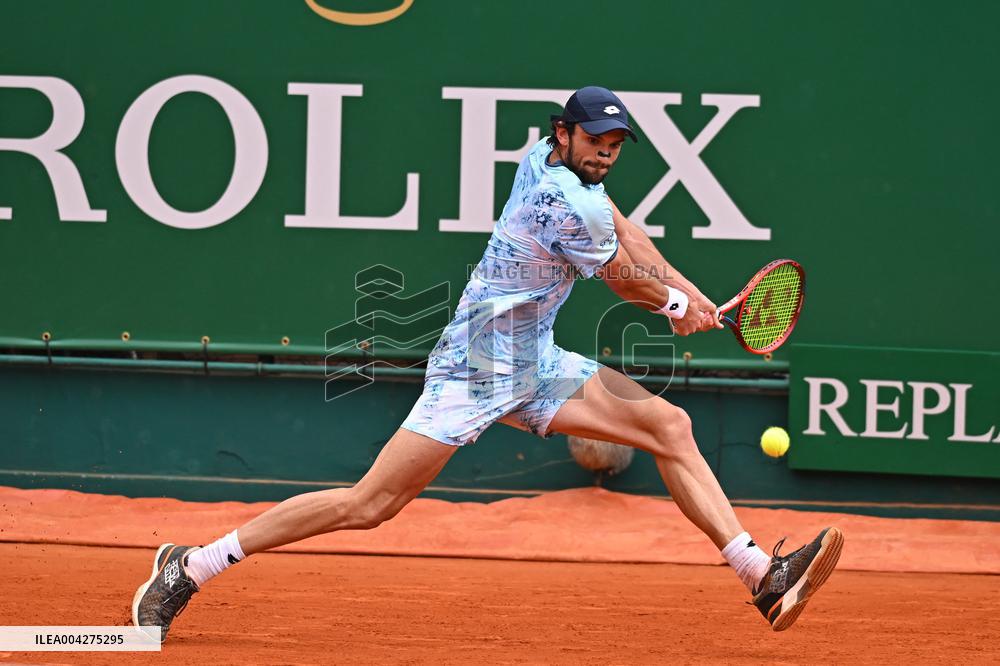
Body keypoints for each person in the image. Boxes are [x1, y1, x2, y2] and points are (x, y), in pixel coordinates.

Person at [132, 86, 843, 640]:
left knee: (671, 426)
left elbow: (625, 228)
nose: (605, 152)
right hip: (474, 369)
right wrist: (675, 309)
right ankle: (191, 566)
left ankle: (760, 574)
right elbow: (625, 277)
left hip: (535, 361)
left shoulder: (550, 158)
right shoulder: (562, 200)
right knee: (369, 505)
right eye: (595, 138)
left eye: (617, 143)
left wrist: (688, 293)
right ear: (565, 131)